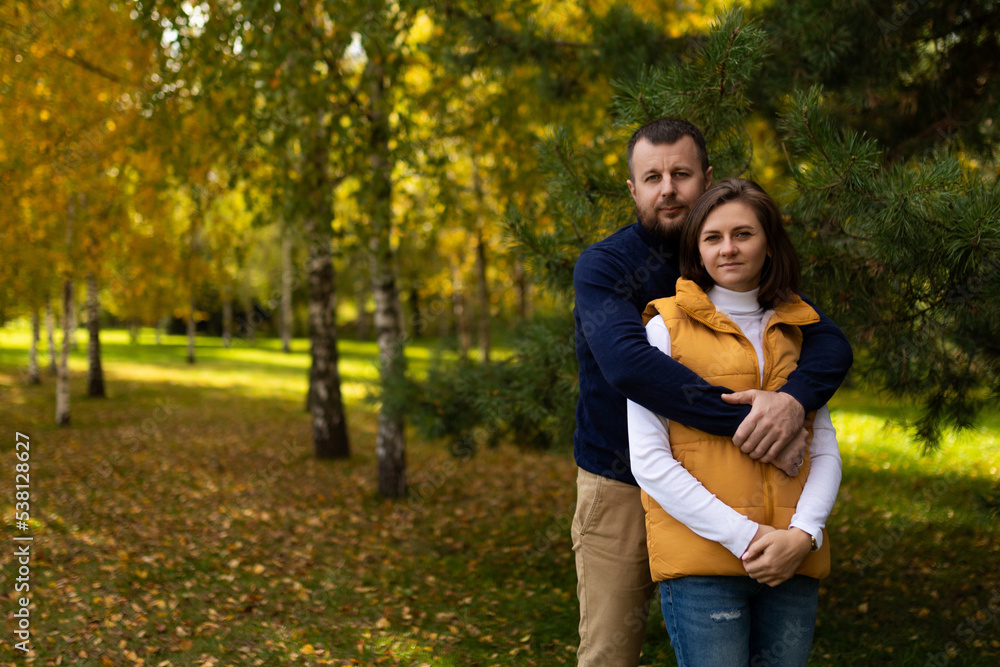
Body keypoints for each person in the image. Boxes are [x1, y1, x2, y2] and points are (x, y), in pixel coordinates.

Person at [571, 118, 852, 666]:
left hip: (732, 484)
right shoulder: (606, 266)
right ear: (633, 190)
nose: (668, 188)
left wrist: (791, 404)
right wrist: (759, 426)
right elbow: (631, 367)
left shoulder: (737, 260)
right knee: (610, 651)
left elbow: (828, 344)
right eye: (652, 177)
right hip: (622, 481)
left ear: (706, 177)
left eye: (681, 173)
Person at [628, 177, 842, 666]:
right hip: (703, 568)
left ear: (768, 243)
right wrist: (747, 538)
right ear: (696, 249)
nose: (728, 248)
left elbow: (824, 448)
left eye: (743, 234)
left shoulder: (800, 329)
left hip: (792, 560)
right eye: (713, 237)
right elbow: (649, 460)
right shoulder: (664, 328)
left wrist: (804, 533)